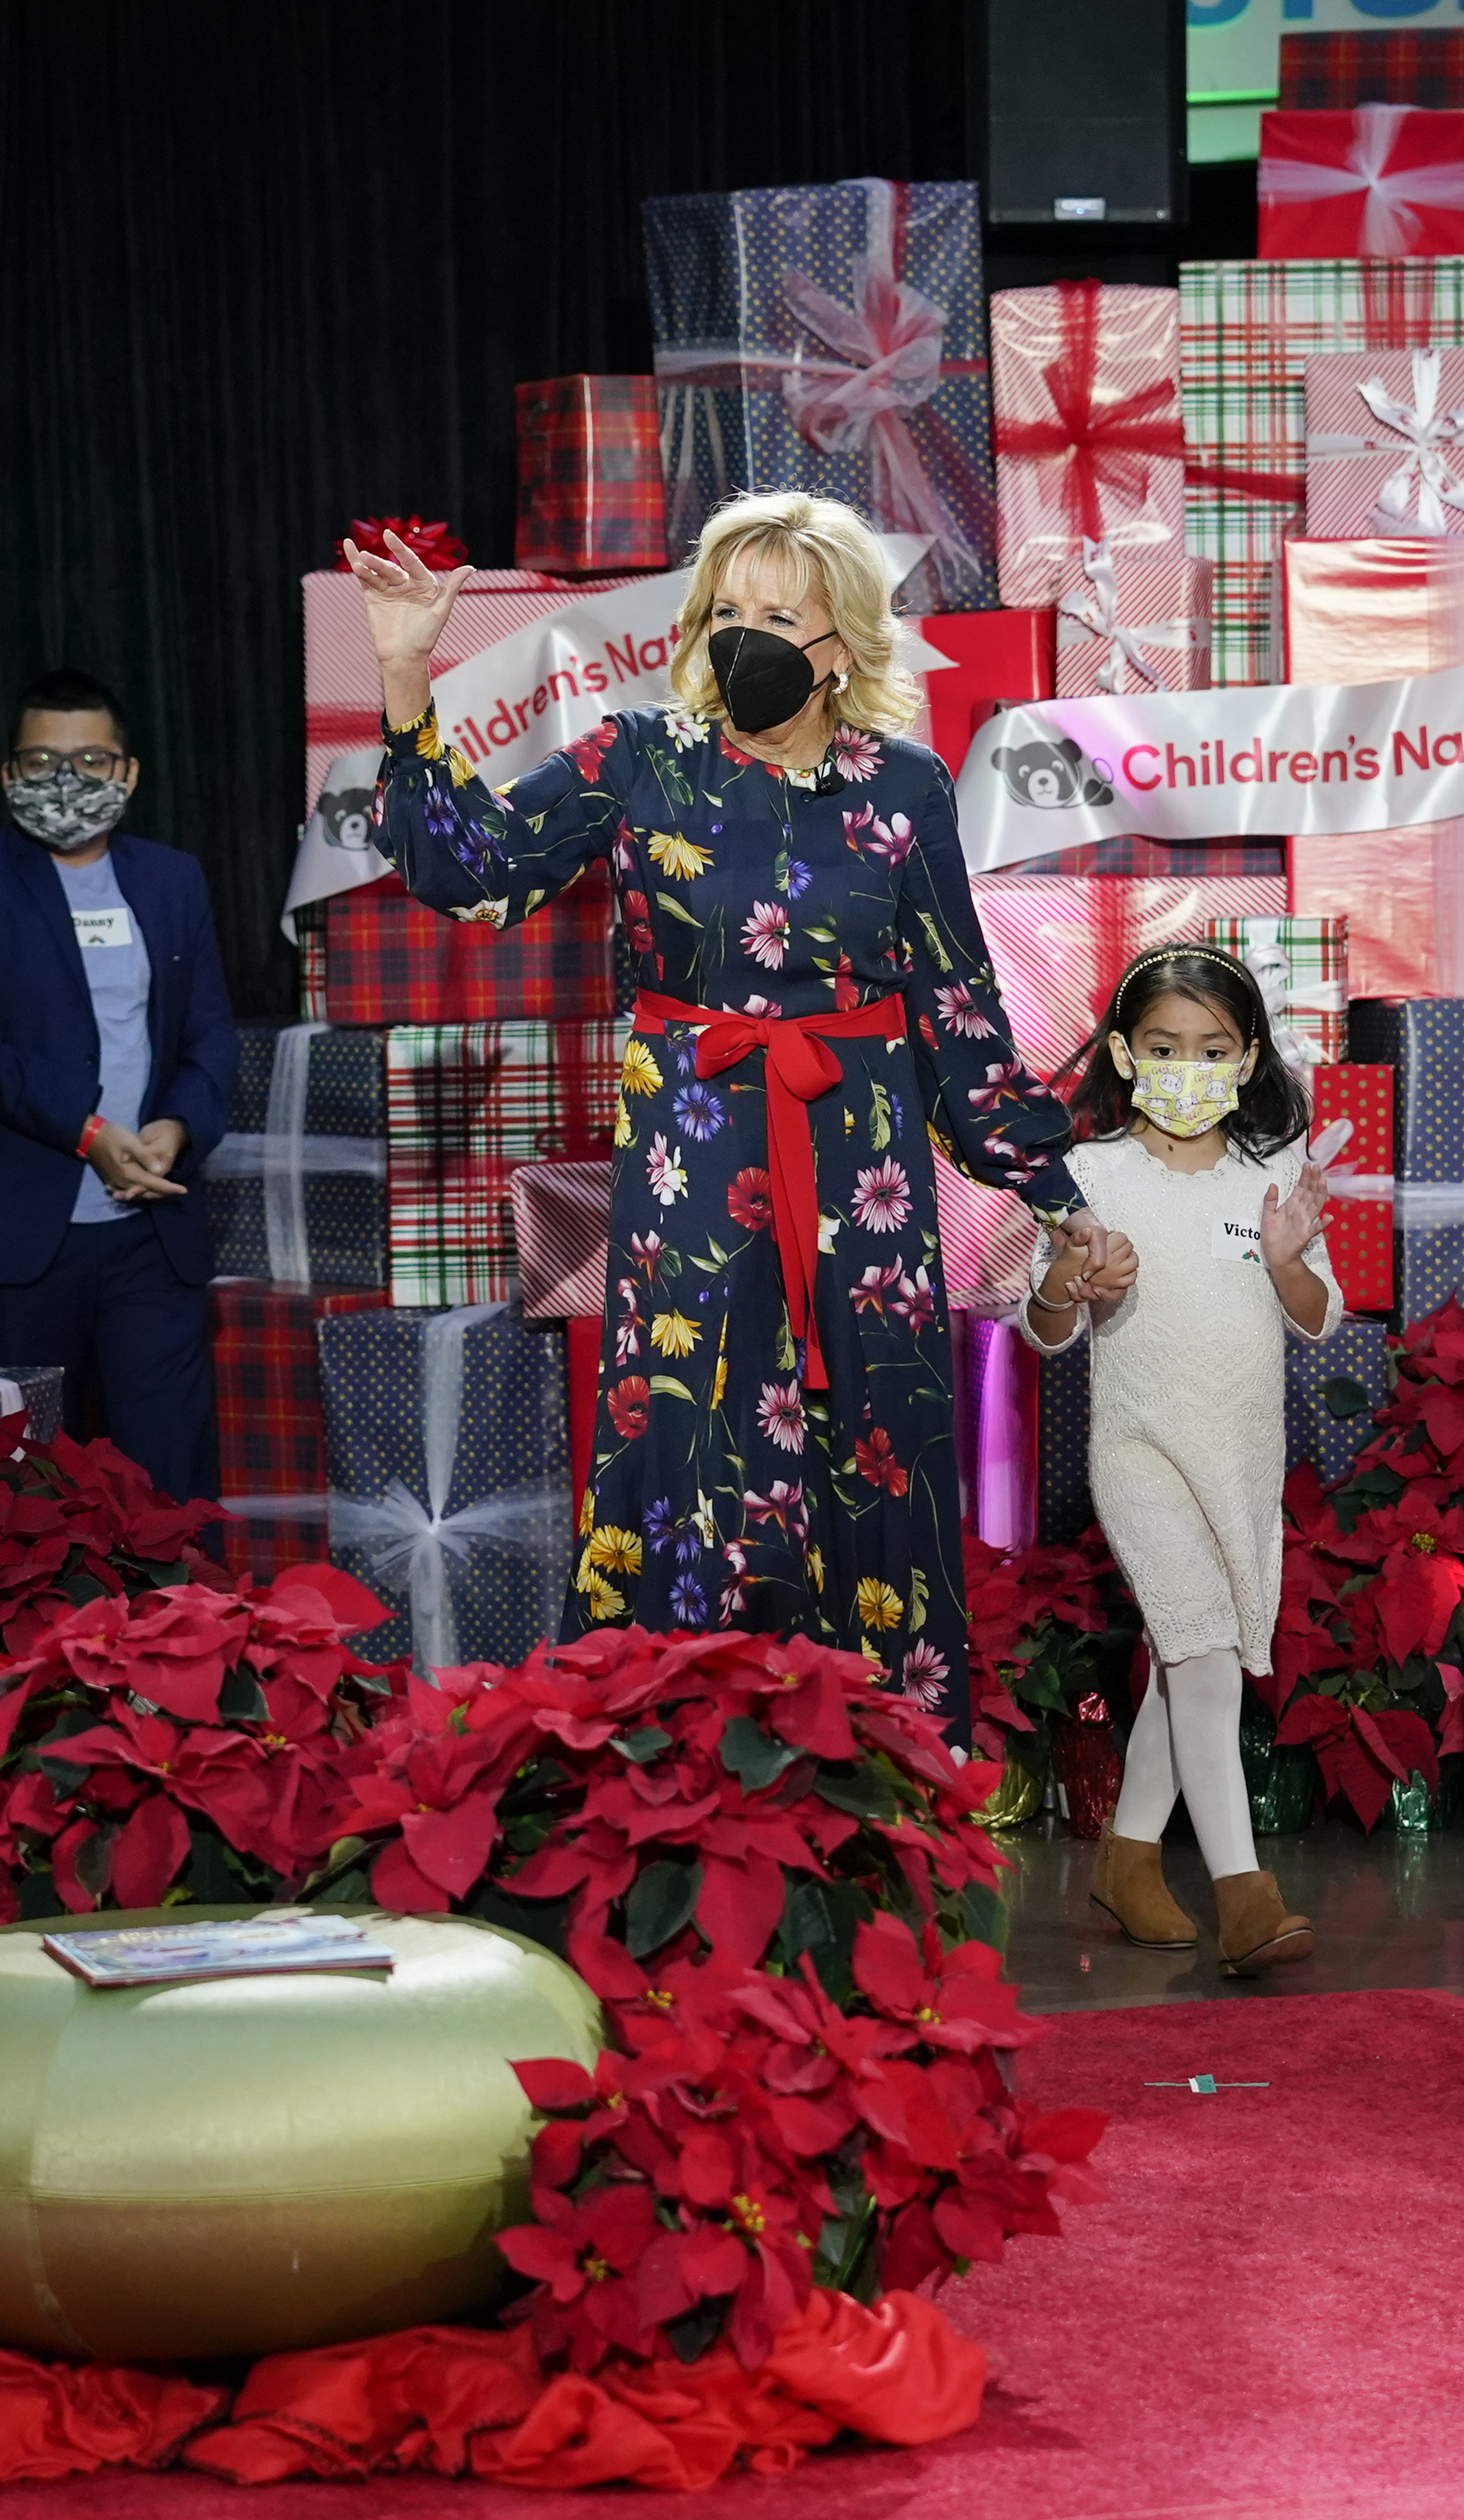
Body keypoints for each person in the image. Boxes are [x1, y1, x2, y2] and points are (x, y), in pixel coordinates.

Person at [347, 492, 1126, 1731]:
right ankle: (682, 1785)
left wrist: (1057, 1195)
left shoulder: (906, 787)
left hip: (860, 1175)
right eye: (724, 610)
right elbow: (469, 872)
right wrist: (403, 668)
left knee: (872, 1446)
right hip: (697, 1171)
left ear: (843, 645)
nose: (740, 635)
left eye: (776, 613)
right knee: (694, 1452)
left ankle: (886, 1782)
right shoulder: (635, 758)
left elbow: (955, 1009)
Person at [1019, 945, 1332, 1975]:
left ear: (1245, 1059)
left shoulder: (1274, 1176)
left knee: (1194, 1656)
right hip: (1141, 1452)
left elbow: (1319, 1314)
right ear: (1124, 1051)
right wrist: (1072, 1272)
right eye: (1163, 1046)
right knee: (1204, 1660)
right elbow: (1046, 1329)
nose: (1187, 1066)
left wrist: (1289, 1263)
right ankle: (1246, 1893)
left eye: (1211, 1048)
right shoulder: (1090, 1178)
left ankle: (1130, 1859)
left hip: (1241, 1459)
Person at [0, 669, 235, 1501]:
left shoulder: (172, 878)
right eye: (42, 760)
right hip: (22, 1238)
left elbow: (210, 1036)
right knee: (21, 1489)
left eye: (91, 759)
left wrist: (179, 1126)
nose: (68, 779)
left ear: (126, 772)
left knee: (167, 1487)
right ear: (8, 775)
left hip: (152, 1236)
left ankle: (181, 1634)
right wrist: (87, 1133)